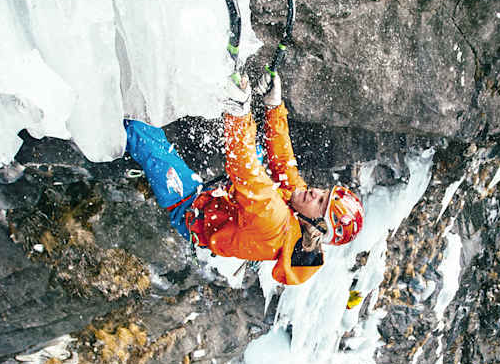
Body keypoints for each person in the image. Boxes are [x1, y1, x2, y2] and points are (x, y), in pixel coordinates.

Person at [123, 70, 364, 285]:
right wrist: (273, 107)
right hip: (228, 200)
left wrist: (238, 114)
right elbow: (283, 163)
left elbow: (243, 168)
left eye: (320, 202)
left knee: (142, 133)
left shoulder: (275, 221)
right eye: (324, 193)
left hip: (189, 208)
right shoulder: (300, 209)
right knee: (256, 150)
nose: (315, 192)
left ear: (317, 227)